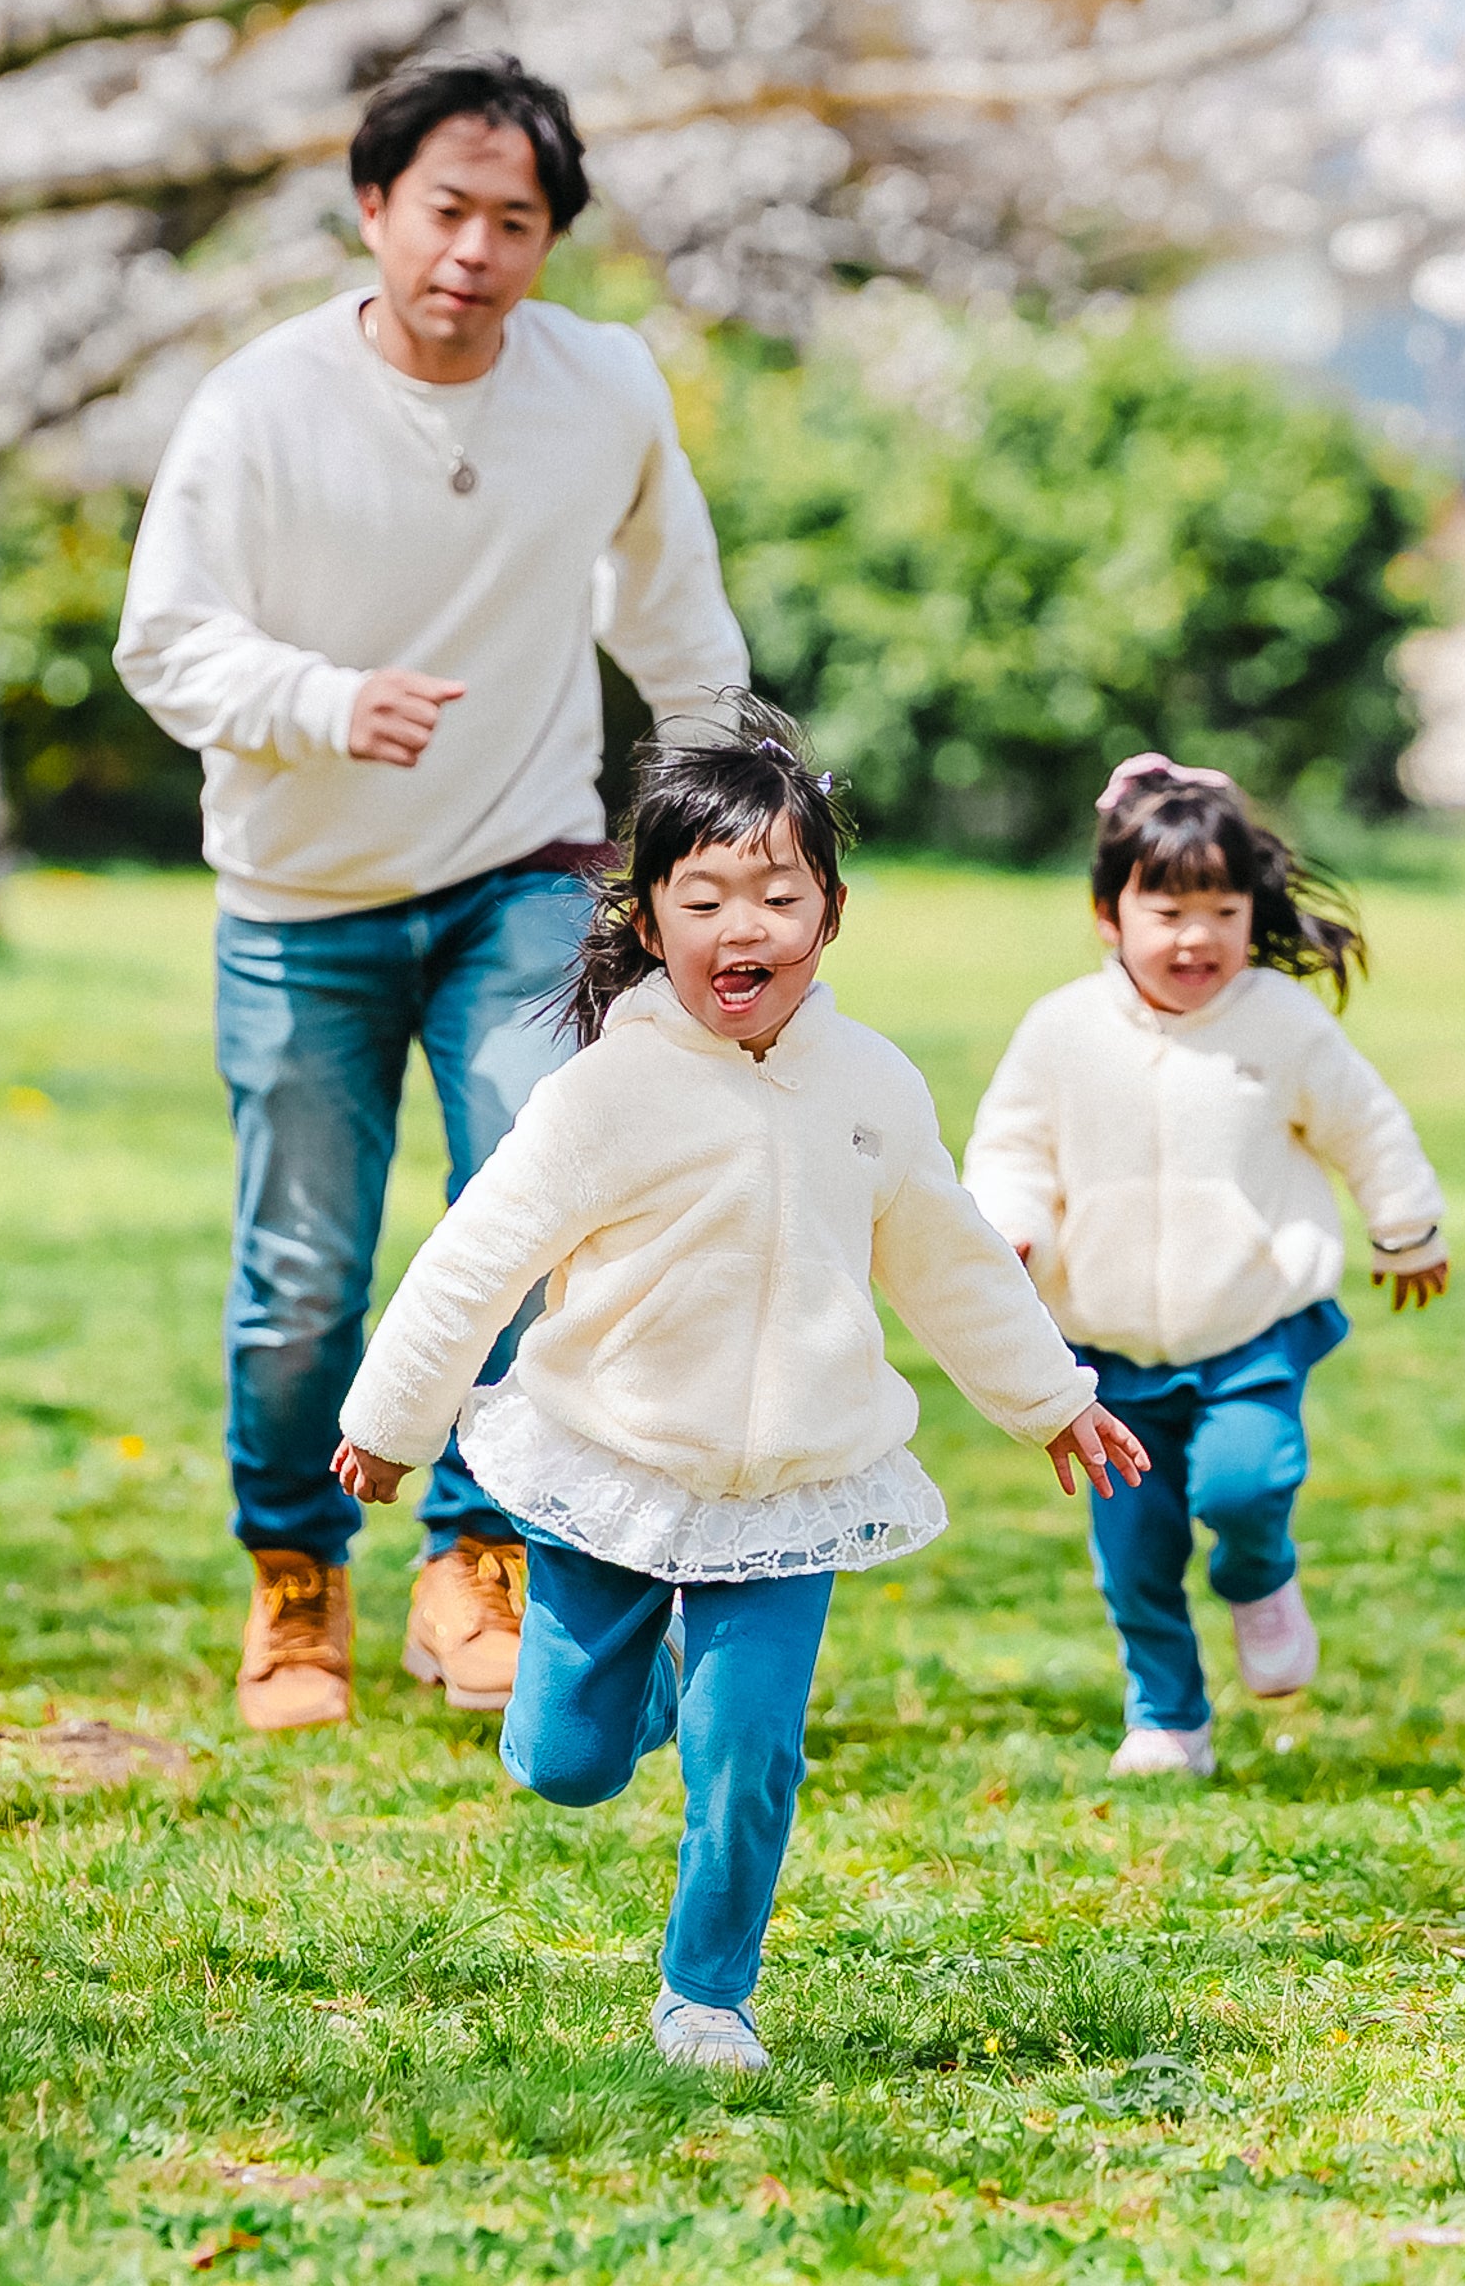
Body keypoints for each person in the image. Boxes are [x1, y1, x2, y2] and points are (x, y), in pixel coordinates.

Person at [328, 705, 1148, 2072]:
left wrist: (1051, 1396)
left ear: (828, 917)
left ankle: (708, 1995)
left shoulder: (869, 1085)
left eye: (779, 893)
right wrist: (388, 1422)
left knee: (750, 1757)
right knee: (565, 1762)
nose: (742, 923)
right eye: (702, 896)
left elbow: (948, 1257)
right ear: (652, 924)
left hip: (794, 1486)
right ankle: (637, 1690)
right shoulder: (604, 1098)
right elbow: (474, 1259)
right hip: (612, 1468)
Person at [115, 53, 747, 1735]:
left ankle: (475, 1557)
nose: (473, 249)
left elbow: (673, 617)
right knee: (302, 1269)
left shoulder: (600, 389)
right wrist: (326, 701)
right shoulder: (262, 405)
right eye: (445, 210)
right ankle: (296, 1576)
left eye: (515, 221)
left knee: (535, 1197)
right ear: (374, 207)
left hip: (520, 870)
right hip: (299, 893)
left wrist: (726, 820)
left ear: (552, 242)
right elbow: (163, 639)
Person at [965, 757, 1448, 1779]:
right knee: (1134, 1556)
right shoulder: (1062, 1032)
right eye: (1170, 910)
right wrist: (1010, 1227)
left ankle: (1262, 1576)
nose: (1198, 938)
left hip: (1249, 1331)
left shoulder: (1279, 1022)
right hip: (1103, 1355)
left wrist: (1406, 1227)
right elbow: (1011, 1150)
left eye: (1223, 911)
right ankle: (1168, 1720)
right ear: (1109, 914)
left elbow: (1367, 1126)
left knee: (1244, 1483)